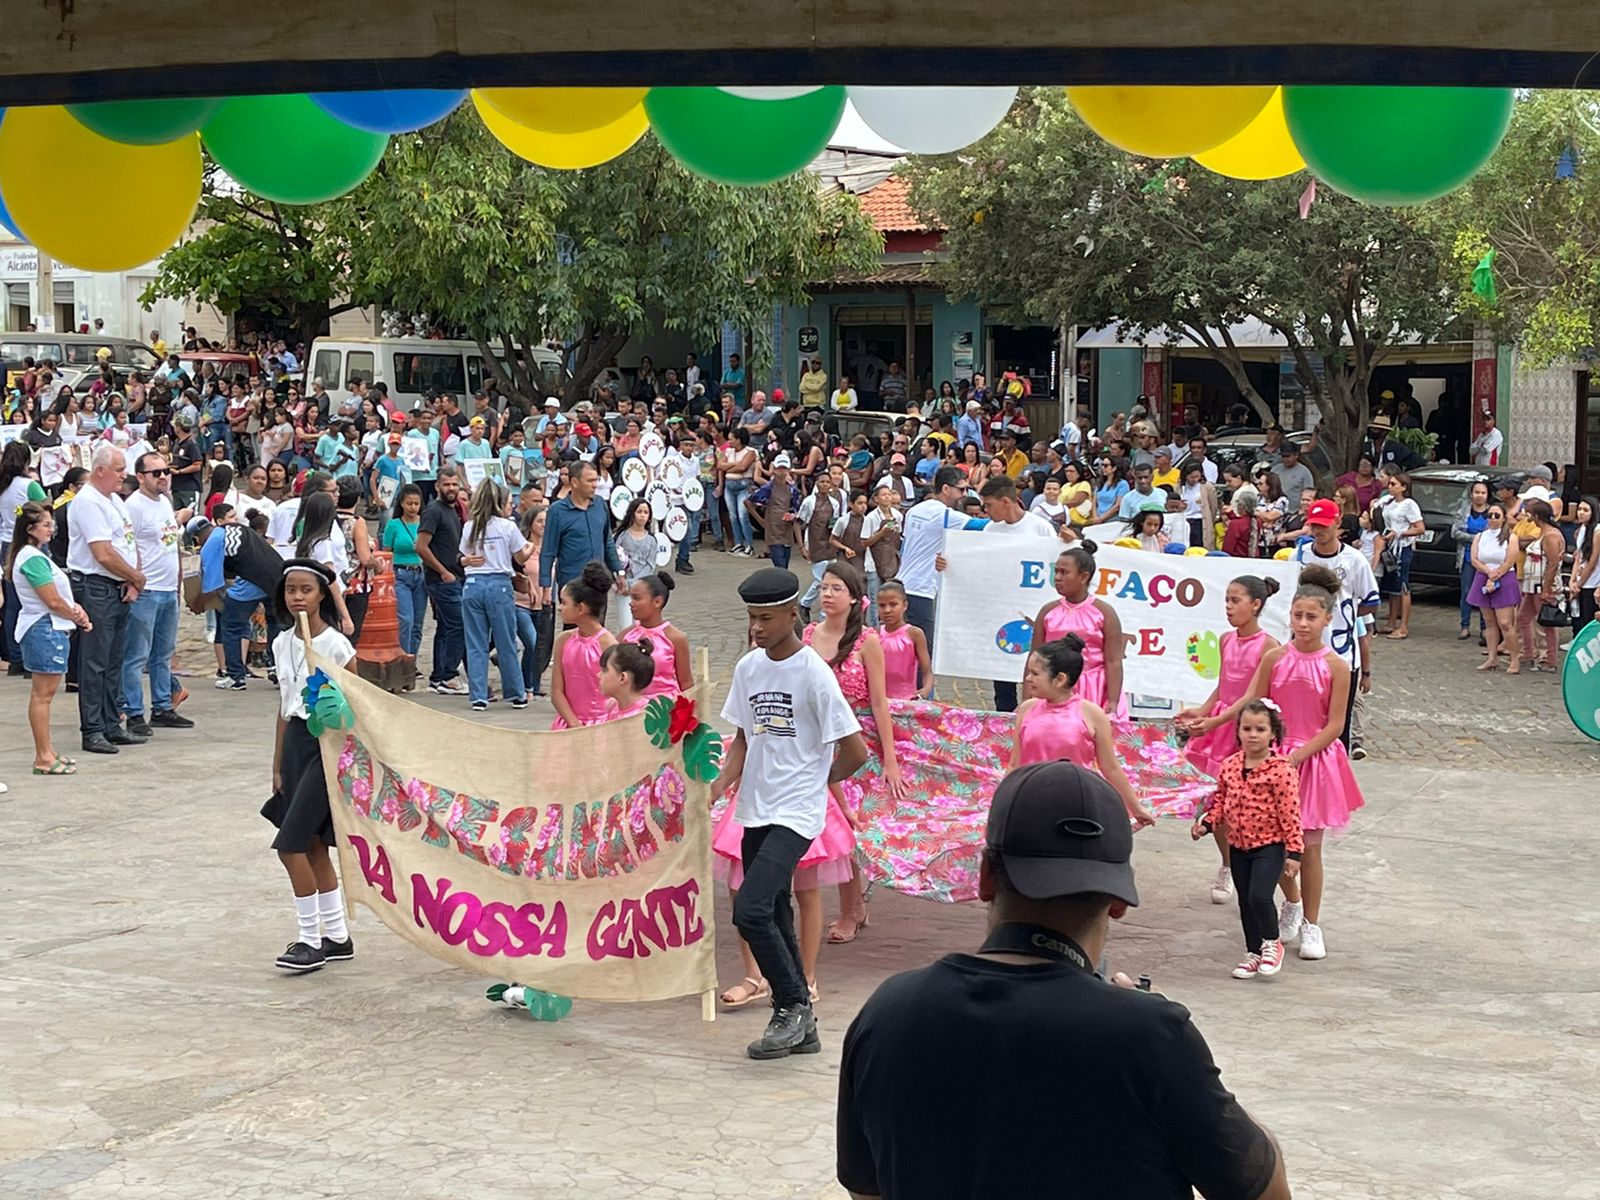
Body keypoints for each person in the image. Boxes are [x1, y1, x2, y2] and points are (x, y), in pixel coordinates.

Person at [837, 758, 1291, 1200]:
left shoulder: (889, 1014)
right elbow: (1263, 1191)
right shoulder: (1148, 1036)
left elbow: (866, 1189)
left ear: (985, 877)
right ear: (1119, 901)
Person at [713, 567, 867, 1060]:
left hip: (797, 812)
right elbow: (742, 738)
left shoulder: (815, 675)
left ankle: (792, 1007)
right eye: (751, 618)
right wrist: (717, 787)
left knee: (750, 908)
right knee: (773, 909)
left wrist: (814, 782)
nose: (756, 628)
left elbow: (856, 751)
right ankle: (801, 1025)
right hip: (753, 806)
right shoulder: (748, 669)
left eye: (765, 618)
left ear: (791, 614)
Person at [1202, 565, 1364, 962]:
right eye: (1297, 615)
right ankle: (1289, 903)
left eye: (1312, 617)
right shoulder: (1275, 658)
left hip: (1313, 761)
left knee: (1308, 848)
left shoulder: (1337, 667)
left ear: (1328, 619)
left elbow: (1335, 724)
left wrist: (1296, 756)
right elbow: (1251, 703)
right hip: (1270, 761)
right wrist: (1219, 723)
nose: (1303, 623)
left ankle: (1311, 922)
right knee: (1267, 844)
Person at [263, 559, 358, 973]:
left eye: (306, 590)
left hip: (327, 747)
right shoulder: (282, 643)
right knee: (315, 845)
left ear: (322, 594)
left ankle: (308, 940)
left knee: (291, 845)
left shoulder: (337, 645)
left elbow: (360, 702)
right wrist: (278, 764)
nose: (298, 597)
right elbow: (284, 707)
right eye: (291, 590)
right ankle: (337, 936)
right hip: (296, 748)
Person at [1176, 575, 1282, 904]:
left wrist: (1214, 722)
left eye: (1235, 600)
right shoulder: (1225, 639)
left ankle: (1252, 870)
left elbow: (1252, 694)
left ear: (1256, 605)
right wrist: (1202, 710)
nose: (1229, 607)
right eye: (1226, 600)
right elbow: (1223, 686)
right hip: (1220, 724)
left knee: (1245, 806)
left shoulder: (1269, 646)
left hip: (1245, 728)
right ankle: (1227, 863)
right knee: (1215, 802)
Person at [1192, 700, 1304, 980]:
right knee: (1245, 901)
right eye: (1247, 728)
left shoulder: (1281, 770)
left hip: (1269, 845)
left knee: (1259, 896)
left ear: (1273, 734)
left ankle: (1271, 943)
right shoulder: (1229, 766)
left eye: (1260, 729)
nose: (1253, 735)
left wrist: (1294, 853)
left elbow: (1290, 812)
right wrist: (1207, 823)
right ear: (1238, 732)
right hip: (1239, 845)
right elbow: (1220, 801)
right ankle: (1252, 951)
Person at [1010, 634, 1153, 828]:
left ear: (1060, 679)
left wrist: (1136, 808)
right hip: (1030, 801)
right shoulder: (1027, 710)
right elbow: (1015, 764)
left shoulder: (1092, 714)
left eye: (1035, 674)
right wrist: (1003, 802)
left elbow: (1110, 767)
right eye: (1029, 672)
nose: (1028, 679)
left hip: (1076, 804)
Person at [68, 446, 147, 755]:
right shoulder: (88, 502)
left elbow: (128, 542)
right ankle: (92, 729)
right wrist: (136, 577)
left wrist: (132, 577)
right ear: (100, 470)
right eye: (118, 469)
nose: (123, 474)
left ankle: (112, 723)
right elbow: (102, 553)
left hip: (118, 585)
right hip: (96, 586)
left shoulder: (114, 499)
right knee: (95, 662)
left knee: (114, 660)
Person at [11, 501, 91, 775]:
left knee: (45, 694)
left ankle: (47, 751)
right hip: (44, 627)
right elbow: (52, 599)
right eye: (45, 524)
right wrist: (76, 615)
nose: (51, 529)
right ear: (31, 529)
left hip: (49, 625)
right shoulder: (32, 558)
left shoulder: (34, 555)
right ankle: (42, 755)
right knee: (42, 695)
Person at [122, 451, 195, 736]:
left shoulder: (164, 502)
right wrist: (133, 579)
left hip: (166, 587)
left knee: (163, 652)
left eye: (166, 471)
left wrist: (178, 579)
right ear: (140, 477)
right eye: (156, 473)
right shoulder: (134, 506)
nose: (163, 476)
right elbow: (128, 547)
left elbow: (170, 542)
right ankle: (134, 711)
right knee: (137, 654)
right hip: (147, 588)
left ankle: (163, 706)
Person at [898, 466, 983, 682]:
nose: (964, 495)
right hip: (921, 590)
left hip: (903, 584)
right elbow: (981, 526)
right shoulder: (945, 515)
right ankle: (921, 701)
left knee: (905, 648)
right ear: (946, 488)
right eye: (961, 490)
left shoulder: (916, 510)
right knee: (923, 653)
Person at [459, 479, 533, 711]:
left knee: (476, 643)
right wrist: (529, 546)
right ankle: (516, 693)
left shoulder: (469, 527)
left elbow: (465, 554)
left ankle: (478, 695)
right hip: (499, 583)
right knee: (506, 641)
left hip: (473, 583)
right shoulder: (507, 526)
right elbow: (520, 558)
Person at [1032, 541, 1125, 718]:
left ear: (1083, 577)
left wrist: (1112, 701)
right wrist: (1027, 700)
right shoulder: (1047, 612)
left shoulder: (1104, 613)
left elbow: (1113, 661)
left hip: (1093, 689)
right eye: (1056, 571)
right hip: (1052, 686)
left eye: (1064, 572)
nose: (1057, 577)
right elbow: (1034, 659)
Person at [417, 466, 469, 696]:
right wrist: (442, 571)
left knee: (446, 627)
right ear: (437, 486)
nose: (451, 488)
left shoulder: (453, 510)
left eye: (454, 484)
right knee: (459, 624)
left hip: (455, 575)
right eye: (446, 484)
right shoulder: (433, 511)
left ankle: (438, 677)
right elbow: (421, 546)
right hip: (441, 579)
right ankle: (449, 675)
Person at [549, 562, 618, 729]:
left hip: (603, 726)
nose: (559, 608)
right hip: (568, 723)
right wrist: (573, 722)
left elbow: (617, 694)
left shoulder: (608, 645)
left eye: (564, 602)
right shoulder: (563, 641)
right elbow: (557, 691)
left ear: (581, 608)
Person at [540, 461, 624, 594]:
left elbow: (607, 542)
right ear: (574, 482)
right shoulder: (557, 511)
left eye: (596, 480)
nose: (595, 485)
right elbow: (548, 551)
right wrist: (545, 587)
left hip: (599, 584)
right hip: (572, 585)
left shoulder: (600, 505)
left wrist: (618, 571)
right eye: (590, 481)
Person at [621, 571, 693, 700]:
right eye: (631, 598)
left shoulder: (676, 638)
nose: (631, 603)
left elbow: (686, 683)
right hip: (631, 709)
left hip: (665, 709)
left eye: (637, 598)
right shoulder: (626, 635)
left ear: (657, 602)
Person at [1468, 502, 1522, 671]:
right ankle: (1492, 657)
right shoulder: (1480, 536)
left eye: (1496, 515)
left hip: (1504, 577)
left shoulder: (1511, 537)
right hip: (1484, 576)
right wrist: (1487, 572)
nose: (1492, 519)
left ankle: (1514, 658)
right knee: (1489, 621)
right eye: (1489, 515)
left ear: (1504, 518)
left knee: (1505, 622)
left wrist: (1496, 574)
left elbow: (1510, 560)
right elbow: (1475, 558)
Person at [1515, 498, 1566, 672]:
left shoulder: (1550, 536)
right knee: (1523, 618)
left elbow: (1552, 564)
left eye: (1530, 514)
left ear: (1537, 516)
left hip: (1542, 585)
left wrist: (1546, 589)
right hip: (1532, 584)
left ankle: (1549, 659)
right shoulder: (1542, 533)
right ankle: (1528, 652)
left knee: (1545, 622)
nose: (1527, 517)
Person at [1376, 472, 1425, 639]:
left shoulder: (1409, 504)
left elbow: (1420, 528)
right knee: (1393, 585)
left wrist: (1400, 533)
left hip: (1403, 547)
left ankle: (1403, 625)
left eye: (1394, 484)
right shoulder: (1388, 503)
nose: (1390, 487)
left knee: (1403, 584)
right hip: (1391, 547)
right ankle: (1391, 622)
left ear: (1403, 487)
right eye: (1389, 483)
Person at [382, 483, 428, 659]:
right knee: (405, 620)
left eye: (416, 504)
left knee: (417, 622)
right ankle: (402, 659)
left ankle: (412, 658)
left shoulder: (424, 523)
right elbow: (386, 551)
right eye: (409, 503)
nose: (413, 507)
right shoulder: (393, 525)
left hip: (421, 573)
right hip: (400, 574)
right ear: (402, 503)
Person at [1450, 480, 1492, 641]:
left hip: (1485, 560)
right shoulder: (1464, 511)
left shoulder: (1492, 512)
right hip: (1467, 557)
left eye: (1483, 493)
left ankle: (1484, 628)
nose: (1480, 496)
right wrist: (1476, 538)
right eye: (1477, 492)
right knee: (1466, 592)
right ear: (1471, 494)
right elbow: (1455, 532)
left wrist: (1475, 538)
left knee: (1484, 593)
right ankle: (1465, 626)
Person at [1568, 496, 1600, 636]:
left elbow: (1592, 562)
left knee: (1589, 621)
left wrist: (1579, 584)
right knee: (1577, 617)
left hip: (1592, 583)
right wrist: (1572, 581)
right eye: (1579, 509)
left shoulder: (1597, 531)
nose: (1581, 512)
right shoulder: (1582, 529)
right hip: (1580, 580)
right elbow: (1578, 558)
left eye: (1585, 510)